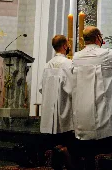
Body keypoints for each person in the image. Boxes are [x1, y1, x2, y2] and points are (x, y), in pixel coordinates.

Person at [70, 26, 112, 168]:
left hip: (82, 106)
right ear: (98, 38)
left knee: (85, 139)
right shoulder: (105, 54)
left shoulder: (76, 57)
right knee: (103, 137)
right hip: (101, 105)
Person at [38, 35, 74, 169]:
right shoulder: (69, 64)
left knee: (52, 142)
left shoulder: (48, 64)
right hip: (64, 108)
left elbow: (41, 88)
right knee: (66, 140)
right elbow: (72, 88)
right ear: (65, 46)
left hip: (49, 111)